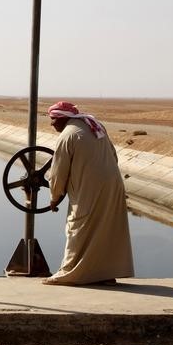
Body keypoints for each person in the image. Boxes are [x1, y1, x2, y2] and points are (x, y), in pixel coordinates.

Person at [44, 101, 134, 286]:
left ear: (63, 118)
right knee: (107, 228)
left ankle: (70, 274)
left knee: (78, 227)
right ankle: (104, 274)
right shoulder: (95, 126)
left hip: (89, 189)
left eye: (53, 119)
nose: (51, 123)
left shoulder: (68, 136)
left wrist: (54, 198)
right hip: (112, 185)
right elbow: (113, 155)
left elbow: (58, 173)